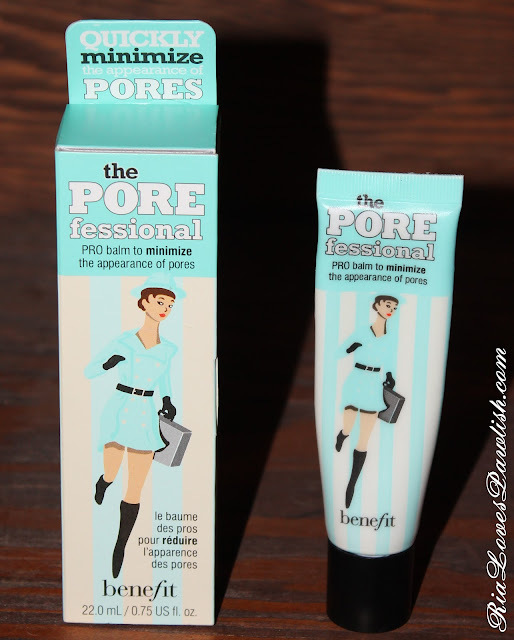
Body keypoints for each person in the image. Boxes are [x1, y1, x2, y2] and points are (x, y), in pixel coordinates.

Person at [85, 274, 184, 578]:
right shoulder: (124, 341)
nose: (165, 308)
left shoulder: (168, 349)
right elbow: (89, 371)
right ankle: (104, 481)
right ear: (144, 302)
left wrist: (167, 400)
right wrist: (108, 364)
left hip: (144, 414)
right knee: (113, 471)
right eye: (160, 301)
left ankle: (120, 546)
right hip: (119, 409)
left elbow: (164, 379)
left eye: (170, 304)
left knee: (135, 488)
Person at [334, 295, 399, 508]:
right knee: (349, 425)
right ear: (377, 306)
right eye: (388, 305)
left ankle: (352, 484)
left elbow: (389, 361)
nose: (391, 309)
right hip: (356, 380)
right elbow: (338, 353)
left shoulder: (390, 337)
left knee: (364, 439)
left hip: (373, 384)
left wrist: (390, 376)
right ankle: (343, 434)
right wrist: (351, 348)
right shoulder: (363, 331)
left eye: (394, 307)